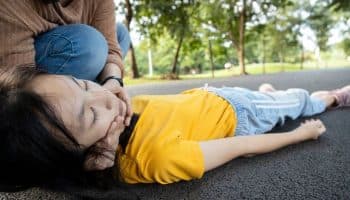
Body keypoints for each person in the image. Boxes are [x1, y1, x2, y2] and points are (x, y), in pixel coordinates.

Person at [0, 67, 349, 199]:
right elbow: (241, 145)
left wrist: (102, 97)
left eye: (83, 83)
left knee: (274, 99)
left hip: (214, 96)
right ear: (92, 158)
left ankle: (270, 95)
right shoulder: (158, 158)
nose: (105, 96)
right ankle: (332, 97)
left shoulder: (113, 114)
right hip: (244, 113)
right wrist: (300, 135)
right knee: (300, 102)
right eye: (90, 112)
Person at [0, 0, 133, 127]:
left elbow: (112, 50)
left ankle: (92, 92)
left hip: (78, 50)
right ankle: (82, 107)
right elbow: (17, 87)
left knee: (121, 33)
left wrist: (113, 81)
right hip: (31, 64)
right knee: (91, 44)